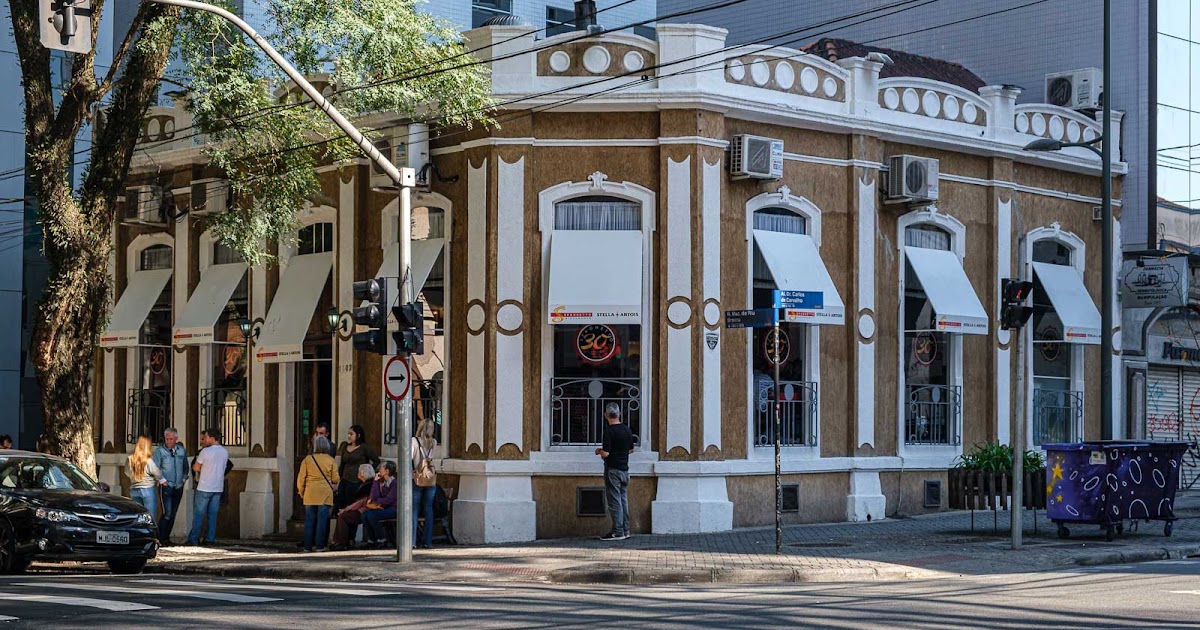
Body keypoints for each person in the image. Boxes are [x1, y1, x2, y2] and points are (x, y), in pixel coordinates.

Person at [595, 403, 634, 541]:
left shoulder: (609, 431)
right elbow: (631, 450)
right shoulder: (627, 430)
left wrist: (599, 451)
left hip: (613, 470)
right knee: (623, 500)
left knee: (614, 502)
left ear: (606, 415)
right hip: (625, 469)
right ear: (619, 414)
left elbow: (606, 453)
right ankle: (625, 530)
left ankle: (618, 532)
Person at [297, 434, 339, 553]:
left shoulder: (307, 460)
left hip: (310, 493)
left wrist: (302, 492)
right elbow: (335, 479)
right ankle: (320, 546)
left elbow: (301, 479)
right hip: (325, 494)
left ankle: (307, 547)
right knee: (322, 521)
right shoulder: (331, 460)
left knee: (309, 521)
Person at [187, 428, 229, 546]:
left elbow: (196, 467)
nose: (204, 440)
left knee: (199, 514)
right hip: (218, 487)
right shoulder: (225, 452)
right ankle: (210, 539)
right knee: (213, 515)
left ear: (212, 438)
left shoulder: (205, 452)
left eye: (205, 437)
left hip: (204, 486)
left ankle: (194, 539)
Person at [153, 427, 189, 544]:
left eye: (171, 439)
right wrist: (162, 480)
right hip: (166, 486)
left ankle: (166, 538)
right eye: (167, 439)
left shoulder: (181, 451)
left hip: (178, 486)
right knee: (166, 514)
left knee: (173, 513)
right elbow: (155, 468)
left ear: (176, 439)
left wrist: (183, 479)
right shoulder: (160, 451)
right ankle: (160, 538)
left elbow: (185, 467)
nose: (168, 441)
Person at [329, 463, 376, 551]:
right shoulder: (366, 484)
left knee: (343, 516)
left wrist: (347, 509)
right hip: (363, 509)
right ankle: (346, 540)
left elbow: (360, 502)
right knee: (346, 515)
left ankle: (340, 542)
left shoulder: (368, 485)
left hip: (364, 510)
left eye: (358, 472)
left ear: (362, 473)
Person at [336, 425, 380, 511]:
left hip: (357, 480)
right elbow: (342, 463)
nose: (349, 436)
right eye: (348, 434)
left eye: (351, 434)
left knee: (352, 503)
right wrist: (339, 477)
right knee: (341, 501)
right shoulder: (345, 447)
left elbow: (376, 461)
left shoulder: (364, 448)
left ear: (358, 435)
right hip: (345, 479)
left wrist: (367, 472)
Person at [411, 419, 439, 550]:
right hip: (430, 478)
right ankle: (427, 541)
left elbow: (410, 457)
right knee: (428, 509)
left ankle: (412, 541)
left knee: (414, 509)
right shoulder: (433, 442)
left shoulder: (414, 441)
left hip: (418, 478)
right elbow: (431, 458)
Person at [126, 436, 164, 520]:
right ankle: (150, 533)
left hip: (134, 489)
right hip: (147, 489)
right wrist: (161, 479)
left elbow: (127, 472)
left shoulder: (130, 459)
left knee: (137, 516)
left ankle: (138, 532)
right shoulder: (148, 461)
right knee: (150, 517)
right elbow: (157, 473)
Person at [362, 461, 398, 548]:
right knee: (364, 514)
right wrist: (375, 482)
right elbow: (374, 496)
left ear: (387, 471)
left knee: (371, 515)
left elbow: (389, 499)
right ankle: (371, 539)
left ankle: (382, 538)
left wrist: (377, 502)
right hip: (384, 507)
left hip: (393, 509)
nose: (379, 470)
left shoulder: (394, 483)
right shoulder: (382, 482)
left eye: (381, 468)